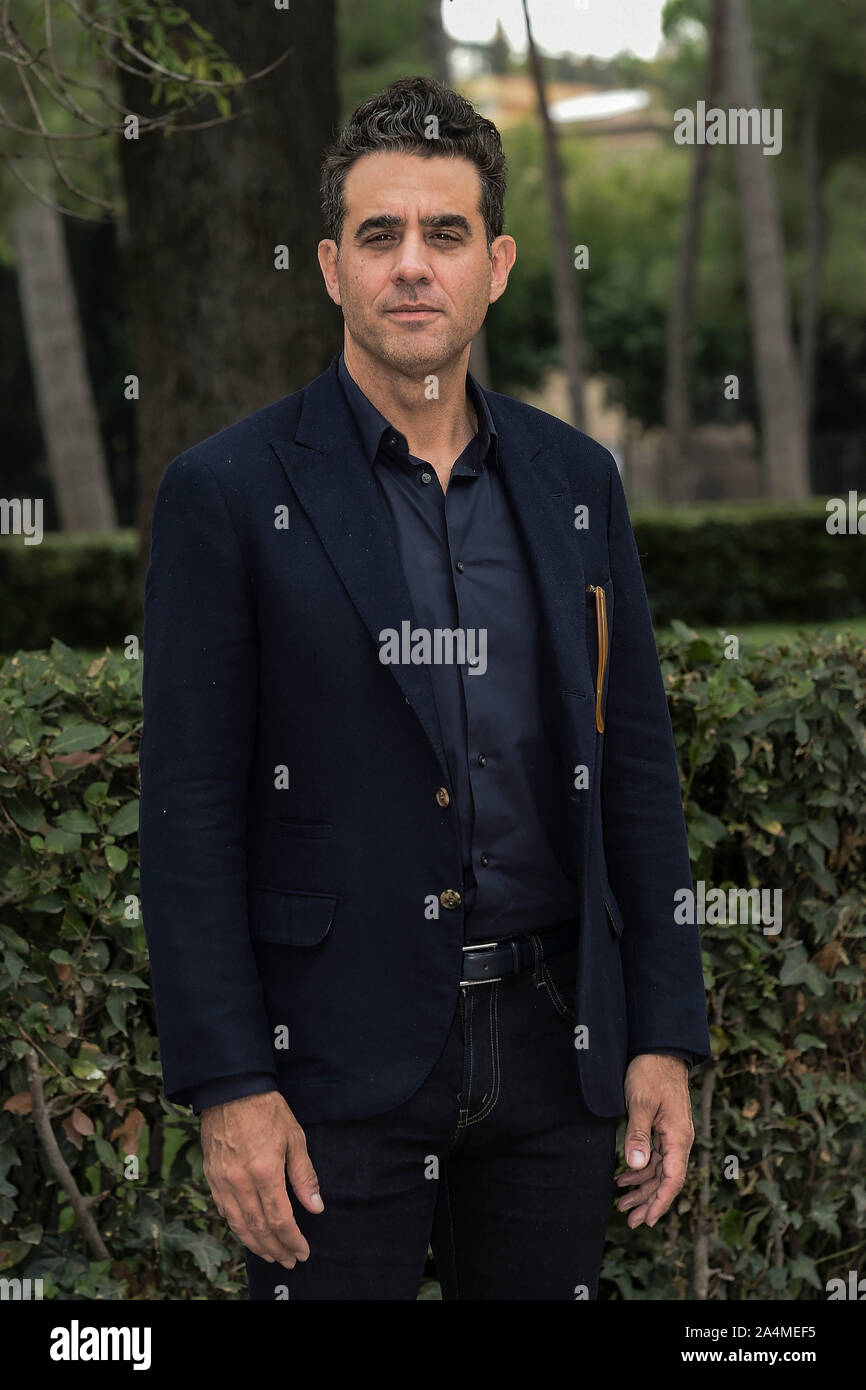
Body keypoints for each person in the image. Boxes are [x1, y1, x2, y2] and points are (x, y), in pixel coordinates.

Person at [139, 76, 711, 1301]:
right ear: (330, 266)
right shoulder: (227, 493)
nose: (412, 265)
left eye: (443, 235)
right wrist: (231, 1084)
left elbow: (636, 771)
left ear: (494, 264)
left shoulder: (576, 479)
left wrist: (661, 1034)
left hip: (556, 1055)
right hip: (329, 1068)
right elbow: (188, 816)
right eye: (379, 235)